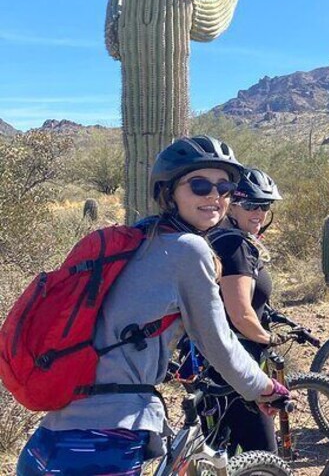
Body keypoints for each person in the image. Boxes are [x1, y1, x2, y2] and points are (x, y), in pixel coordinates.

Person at [16, 136, 288, 476]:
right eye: (200, 185)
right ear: (169, 191)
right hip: (104, 443)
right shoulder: (189, 249)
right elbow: (218, 343)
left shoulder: (138, 241)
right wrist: (266, 388)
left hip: (49, 440)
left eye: (225, 187)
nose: (215, 197)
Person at [207, 166, 284, 454]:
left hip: (214, 362)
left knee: (221, 454)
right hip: (238, 365)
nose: (259, 213)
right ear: (232, 205)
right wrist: (268, 338)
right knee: (265, 457)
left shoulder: (219, 236)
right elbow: (240, 314)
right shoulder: (235, 245)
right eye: (251, 204)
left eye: (265, 205)